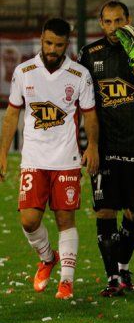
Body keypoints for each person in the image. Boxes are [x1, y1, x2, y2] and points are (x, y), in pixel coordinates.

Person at [0, 18, 99, 300]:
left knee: (65, 219)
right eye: (48, 43)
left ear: (67, 44)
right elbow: (11, 115)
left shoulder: (79, 75)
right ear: (41, 39)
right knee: (29, 221)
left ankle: (66, 281)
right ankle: (47, 258)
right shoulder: (24, 72)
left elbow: (90, 115)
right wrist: (2, 153)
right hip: (33, 159)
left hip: (66, 158)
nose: (52, 49)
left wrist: (92, 146)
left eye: (58, 45)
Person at [78, 1, 134, 297]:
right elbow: (83, 104)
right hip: (105, 147)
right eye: (108, 22)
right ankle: (112, 277)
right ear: (101, 23)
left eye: (119, 21)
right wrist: (91, 146)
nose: (113, 28)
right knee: (104, 211)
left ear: (129, 20)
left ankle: (124, 267)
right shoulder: (89, 55)